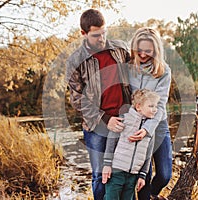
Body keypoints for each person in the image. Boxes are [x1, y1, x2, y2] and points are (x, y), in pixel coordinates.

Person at [65, 9, 131, 200]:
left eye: (104, 33)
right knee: (100, 176)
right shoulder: (75, 60)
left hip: (125, 121)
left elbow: (139, 74)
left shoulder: (120, 49)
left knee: (127, 174)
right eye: (96, 35)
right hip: (96, 127)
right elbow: (77, 99)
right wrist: (105, 118)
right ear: (83, 34)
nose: (102, 39)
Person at [128, 27, 172, 200]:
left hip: (158, 126)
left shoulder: (163, 71)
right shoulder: (129, 68)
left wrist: (147, 129)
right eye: (140, 50)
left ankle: (153, 195)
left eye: (148, 51)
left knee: (164, 174)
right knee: (143, 178)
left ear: (156, 50)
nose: (143, 54)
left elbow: (160, 105)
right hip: (135, 126)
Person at [102, 89, 160, 200]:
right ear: (138, 107)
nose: (155, 110)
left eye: (156, 106)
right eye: (151, 106)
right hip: (116, 171)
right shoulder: (124, 120)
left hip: (133, 175)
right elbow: (111, 142)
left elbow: (148, 155)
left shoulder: (149, 130)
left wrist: (142, 175)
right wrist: (107, 164)